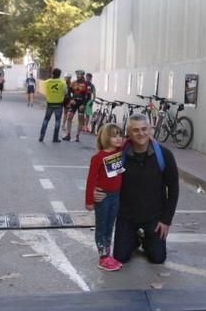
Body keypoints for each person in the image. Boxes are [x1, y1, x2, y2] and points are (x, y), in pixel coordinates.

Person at [94, 114, 179, 266]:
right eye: (135, 130)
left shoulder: (164, 155)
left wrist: (166, 220)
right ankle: (134, 239)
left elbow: (174, 189)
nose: (141, 133)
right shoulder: (119, 155)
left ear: (150, 129)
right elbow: (104, 178)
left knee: (158, 258)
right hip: (127, 216)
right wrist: (96, 191)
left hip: (154, 216)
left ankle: (146, 239)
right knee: (121, 257)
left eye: (144, 129)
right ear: (128, 132)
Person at [85, 124, 126, 272]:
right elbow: (91, 179)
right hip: (103, 198)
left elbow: (128, 141)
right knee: (102, 227)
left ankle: (107, 255)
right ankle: (103, 258)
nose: (119, 138)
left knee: (109, 227)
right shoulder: (98, 158)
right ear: (105, 137)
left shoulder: (119, 152)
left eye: (120, 135)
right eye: (114, 136)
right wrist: (89, 201)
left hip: (116, 196)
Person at [39, 68, 67, 143]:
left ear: (52, 74)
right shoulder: (63, 82)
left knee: (46, 119)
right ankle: (55, 138)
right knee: (57, 121)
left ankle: (41, 136)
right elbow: (65, 92)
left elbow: (44, 91)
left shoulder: (47, 82)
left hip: (50, 104)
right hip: (59, 104)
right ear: (60, 75)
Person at [63, 70, 89, 142]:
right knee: (69, 117)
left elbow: (88, 96)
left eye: (79, 74)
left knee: (80, 119)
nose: (77, 76)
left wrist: (84, 104)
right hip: (74, 103)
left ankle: (77, 136)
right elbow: (68, 93)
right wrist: (71, 99)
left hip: (81, 104)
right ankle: (68, 135)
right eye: (77, 74)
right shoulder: (73, 83)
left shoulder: (86, 84)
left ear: (82, 75)